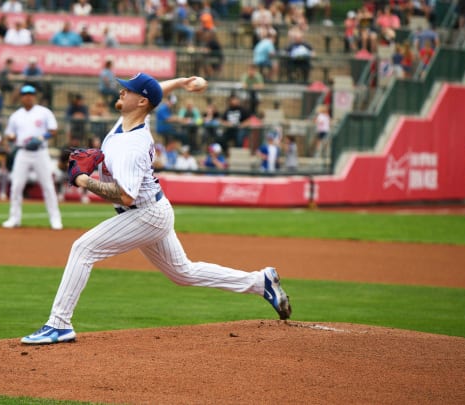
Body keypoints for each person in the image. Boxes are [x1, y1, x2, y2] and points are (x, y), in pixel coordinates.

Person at [20, 73, 291, 345]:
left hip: (145, 214)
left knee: (83, 248)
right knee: (183, 273)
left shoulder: (133, 146)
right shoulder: (129, 121)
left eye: (128, 90)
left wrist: (84, 180)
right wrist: (182, 81)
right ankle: (260, 282)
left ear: (141, 102)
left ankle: (59, 324)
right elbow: (155, 90)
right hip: (152, 210)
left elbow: (126, 196)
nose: (122, 92)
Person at [1, 84, 62, 230]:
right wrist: (11, 137)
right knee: (16, 186)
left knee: (48, 186)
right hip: (22, 151)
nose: (28, 97)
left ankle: (55, 219)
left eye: (31, 94)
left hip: (40, 151)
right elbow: (9, 134)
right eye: (25, 94)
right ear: (22, 97)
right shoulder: (16, 116)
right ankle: (14, 218)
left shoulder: (44, 112)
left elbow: (53, 131)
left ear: (34, 96)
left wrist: (41, 138)